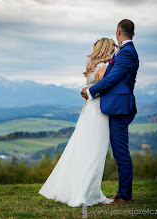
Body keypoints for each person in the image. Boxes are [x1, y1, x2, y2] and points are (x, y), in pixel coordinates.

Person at [38, 37, 116, 207]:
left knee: (82, 149)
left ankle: (84, 190)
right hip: (98, 114)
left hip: (88, 111)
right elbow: (106, 87)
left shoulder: (91, 66)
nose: (114, 52)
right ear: (107, 50)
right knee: (95, 152)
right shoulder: (102, 68)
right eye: (112, 49)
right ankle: (86, 193)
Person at [81, 19, 139, 206]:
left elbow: (112, 78)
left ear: (118, 32)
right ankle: (122, 193)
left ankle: (125, 197)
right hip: (116, 105)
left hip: (120, 107)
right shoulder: (124, 52)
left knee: (121, 151)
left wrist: (91, 91)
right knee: (118, 151)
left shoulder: (127, 53)